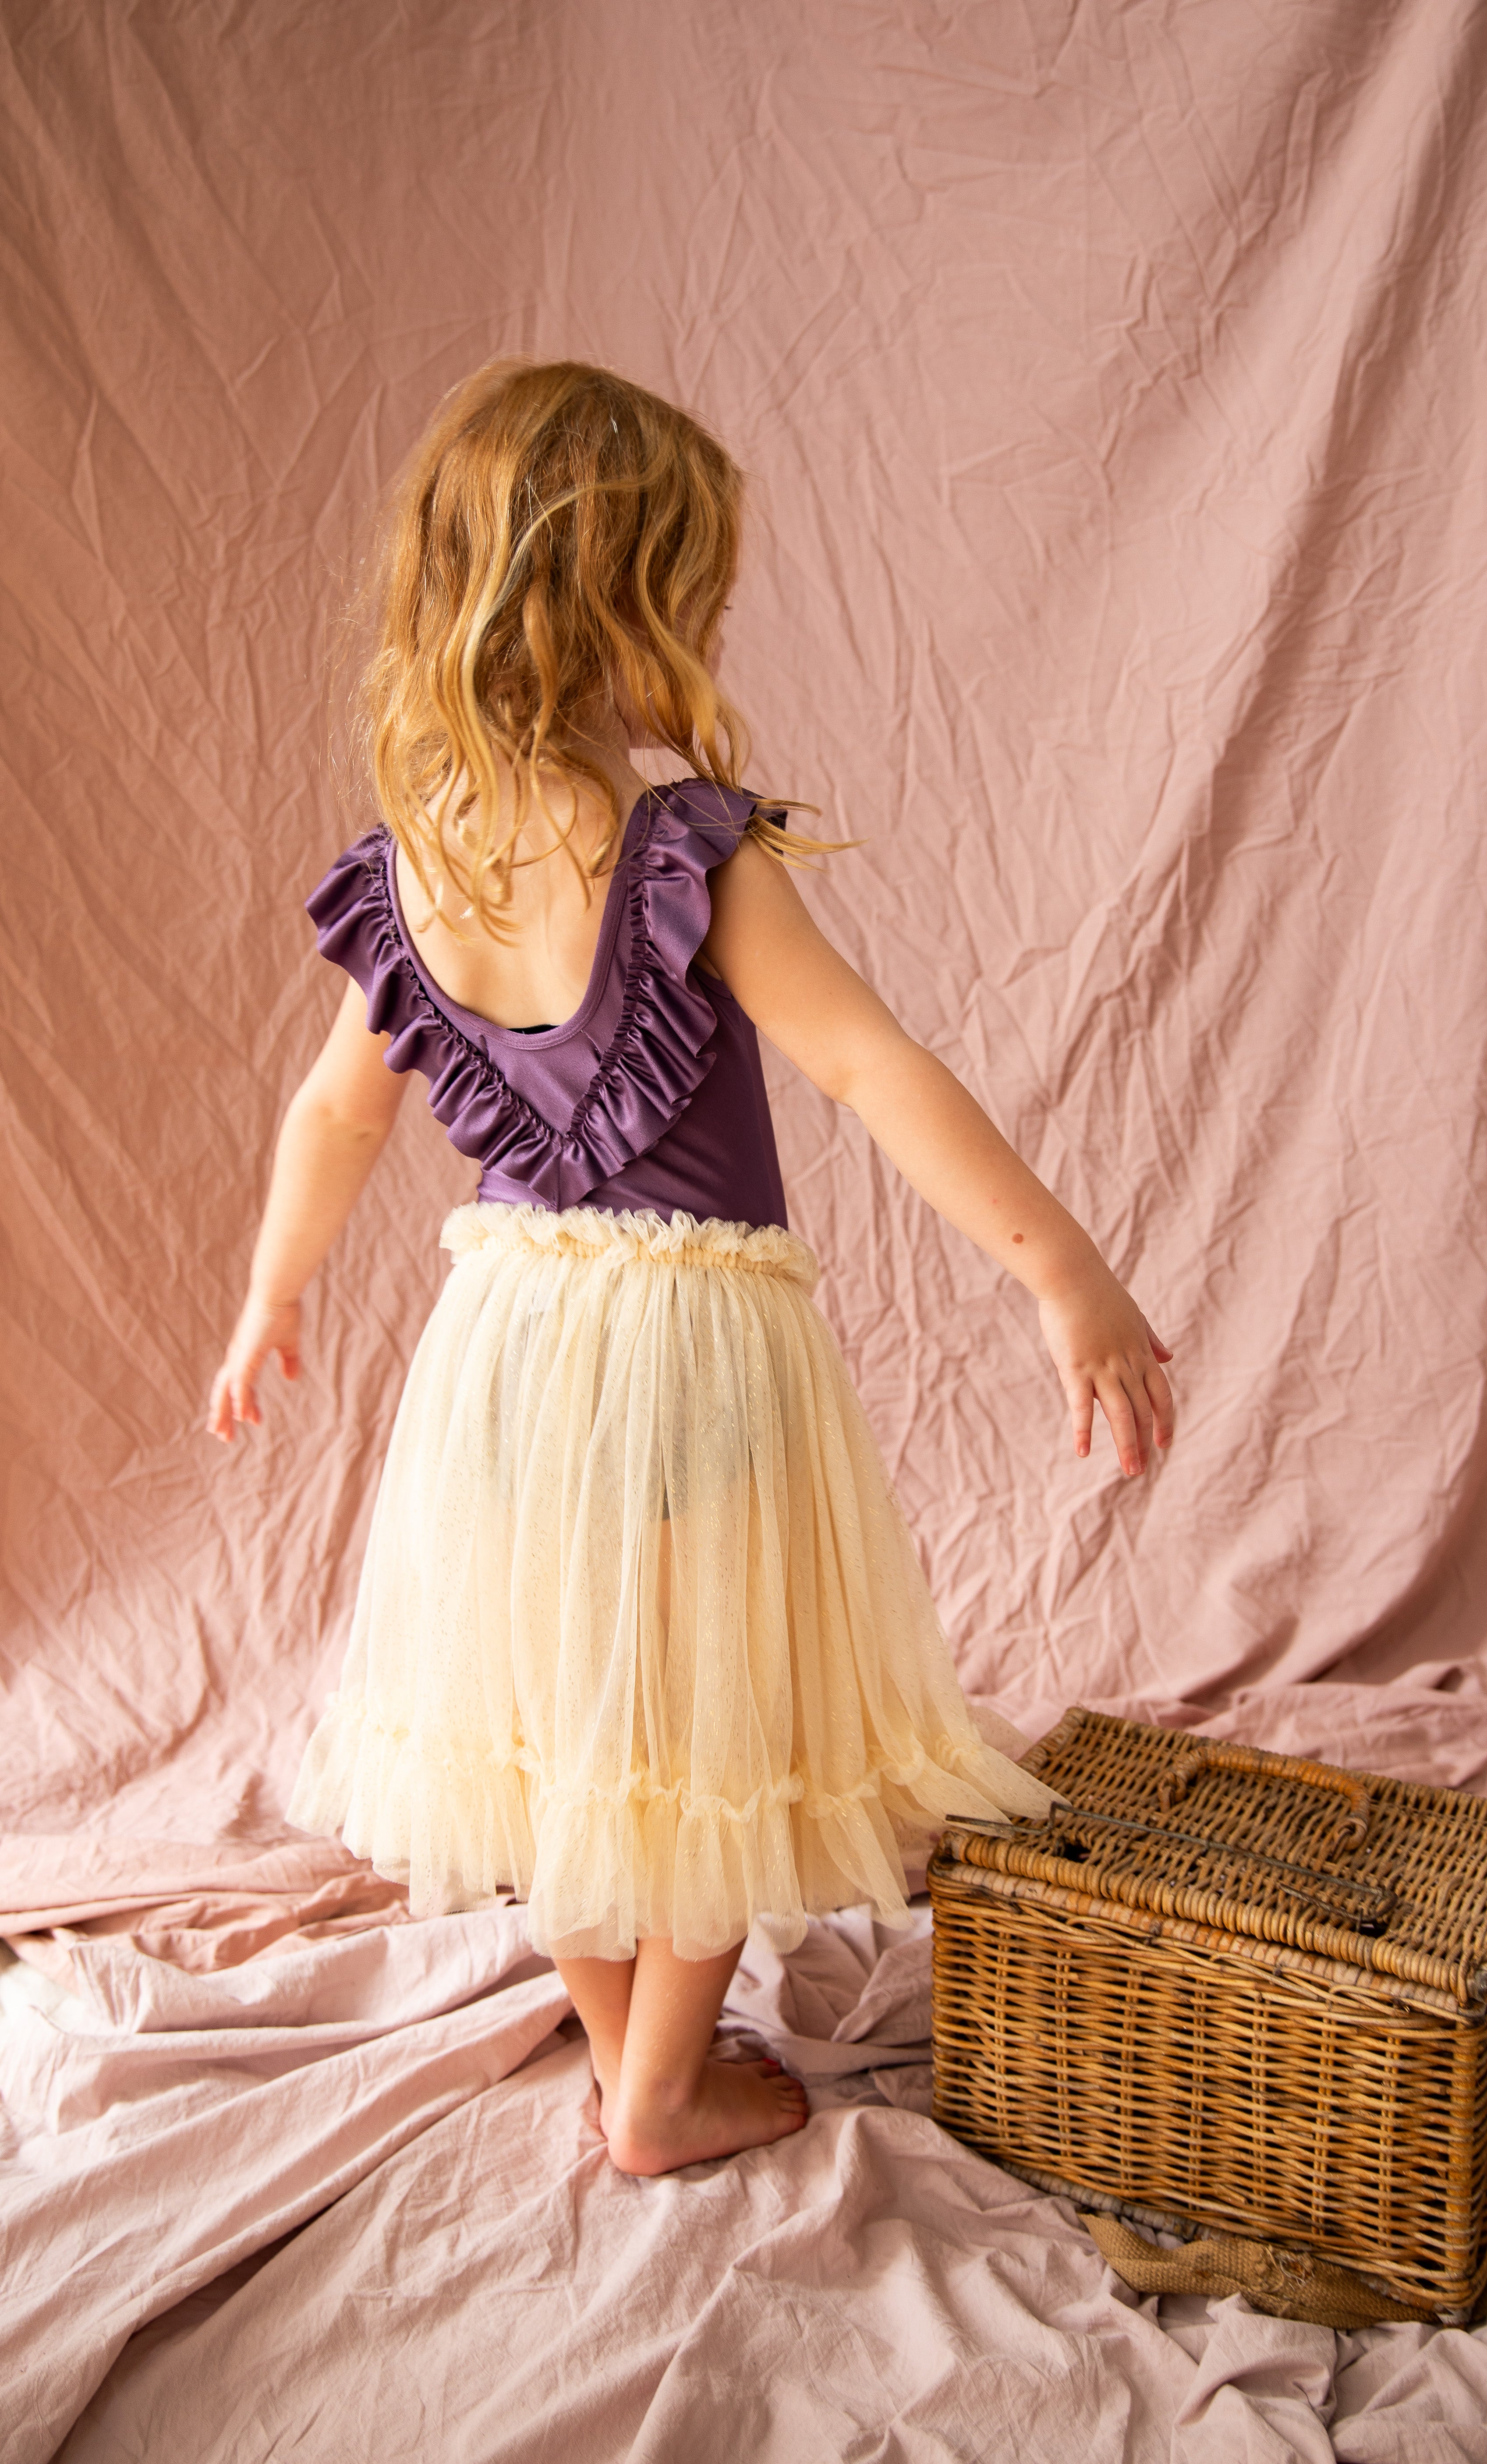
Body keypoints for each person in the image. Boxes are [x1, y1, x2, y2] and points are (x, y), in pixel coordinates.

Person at [207, 358, 1175, 2179]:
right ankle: (658, 2087)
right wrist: (1065, 1273)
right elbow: (870, 1066)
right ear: (630, 607)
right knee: (707, 1694)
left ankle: (615, 2046)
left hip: (502, 1336)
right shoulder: (685, 851)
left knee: (551, 1706)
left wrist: (273, 1297)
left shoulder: (418, 864)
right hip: (690, 1346)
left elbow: (333, 1123)